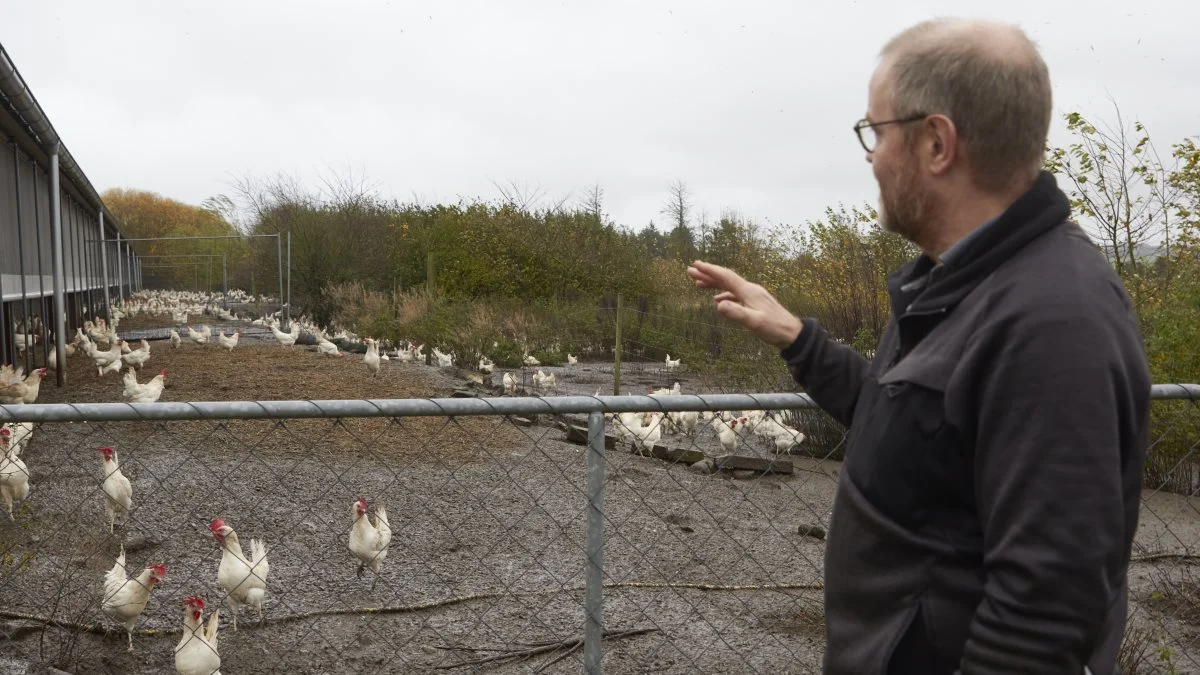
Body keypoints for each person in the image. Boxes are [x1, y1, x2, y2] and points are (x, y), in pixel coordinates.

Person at [687, 17, 1151, 675]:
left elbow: (1043, 615)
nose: (872, 155)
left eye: (876, 131)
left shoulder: (1055, 322)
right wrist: (795, 335)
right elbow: (904, 425)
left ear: (937, 142)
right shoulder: (955, 280)